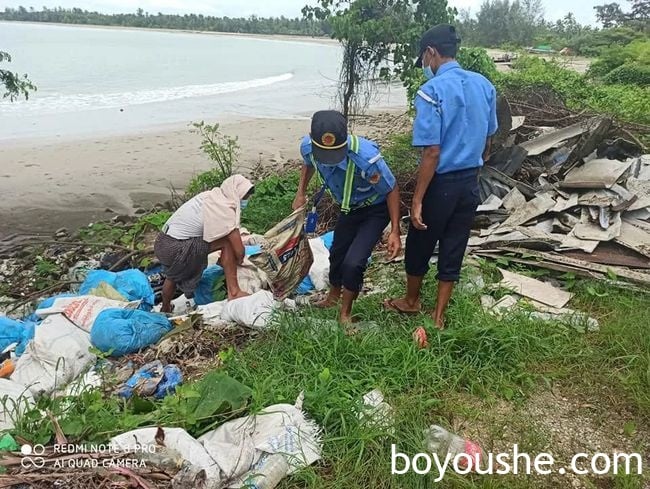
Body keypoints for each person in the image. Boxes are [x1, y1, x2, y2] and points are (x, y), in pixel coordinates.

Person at [384, 24, 498, 329]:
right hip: (469, 182)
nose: (425, 66)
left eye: (424, 59)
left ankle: (411, 301)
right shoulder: (484, 85)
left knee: (420, 243)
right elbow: (488, 141)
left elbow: (432, 152)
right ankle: (438, 316)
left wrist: (418, 199)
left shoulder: (431, 91)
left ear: (431, 52)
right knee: (454, 245)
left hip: (442, 184)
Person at [293, 110, 402, 324]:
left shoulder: (366, 158)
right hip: (347, 208)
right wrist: (301, 192)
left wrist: (395, 231)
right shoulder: (309, 147)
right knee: (337, 253)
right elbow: (308, 164)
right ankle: (333, 296)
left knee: (354, 262)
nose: (328, 160)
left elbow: (391, 189)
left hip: (374, 209)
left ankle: (345, 313)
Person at [154, 174, 254, 313]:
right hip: (176, 247)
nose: (245, 202)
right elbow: (239, 250)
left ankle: (165, 308)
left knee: (173, 275)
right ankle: (234, 291)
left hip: (162, 242)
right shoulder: (224, 207)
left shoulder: (210, 197)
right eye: (244, 198)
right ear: (236, 195)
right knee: (227, 243)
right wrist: (235, 260)